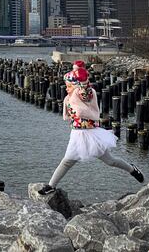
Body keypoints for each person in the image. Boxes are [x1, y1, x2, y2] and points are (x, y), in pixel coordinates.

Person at [38, 61, 143, 195]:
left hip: (92, 134)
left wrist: (83, 81)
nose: (66, 88)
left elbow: (86, 93)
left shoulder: (82, 93)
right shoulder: (68, 98)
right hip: (77, 134)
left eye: (69, 85)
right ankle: (51, 185)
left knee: (110, 161)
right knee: (67, 161)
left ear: (76, 86)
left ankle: (132, 170)